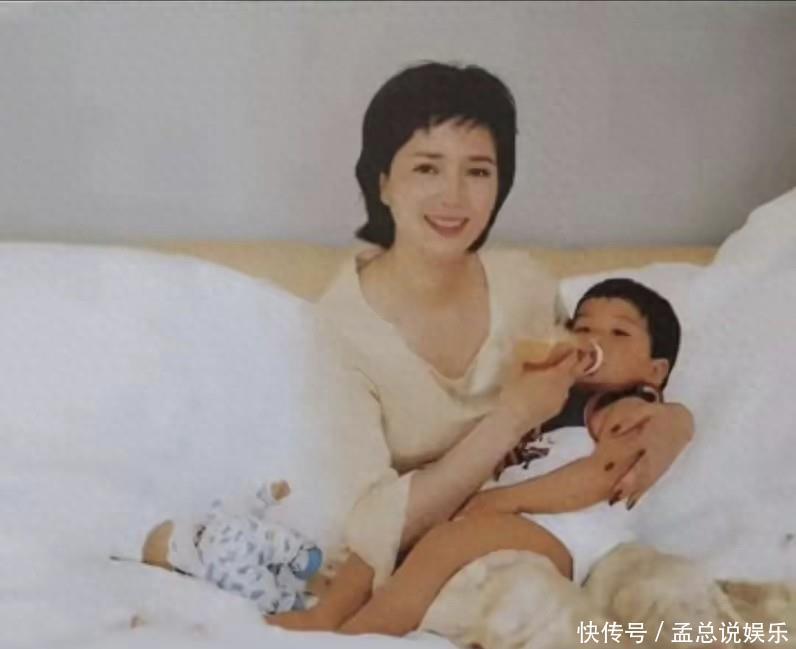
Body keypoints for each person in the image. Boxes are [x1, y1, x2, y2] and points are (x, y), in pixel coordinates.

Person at [268, 61, 694, 632]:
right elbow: (369, 526)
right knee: (535, 610)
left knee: (674, 598)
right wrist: (509, 418)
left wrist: (675, 423)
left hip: (554, 535)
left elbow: (608, 387)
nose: (454, 196)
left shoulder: (527, 287)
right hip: (434, 559)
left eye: (478, 171)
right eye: (427, 167)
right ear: (383, 182)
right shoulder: (340, 331)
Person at [317, 277, 683, 636]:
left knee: (448, 543)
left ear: (655, 371)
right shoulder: (551, 402)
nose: (593, 340)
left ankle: (368, 632)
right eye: (582, 328)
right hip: (517, 523)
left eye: (619, 333)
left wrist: (500, 501)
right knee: (399, 531)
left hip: (567, 531)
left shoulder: (627, 407)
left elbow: (600, 476)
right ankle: (336, 610)